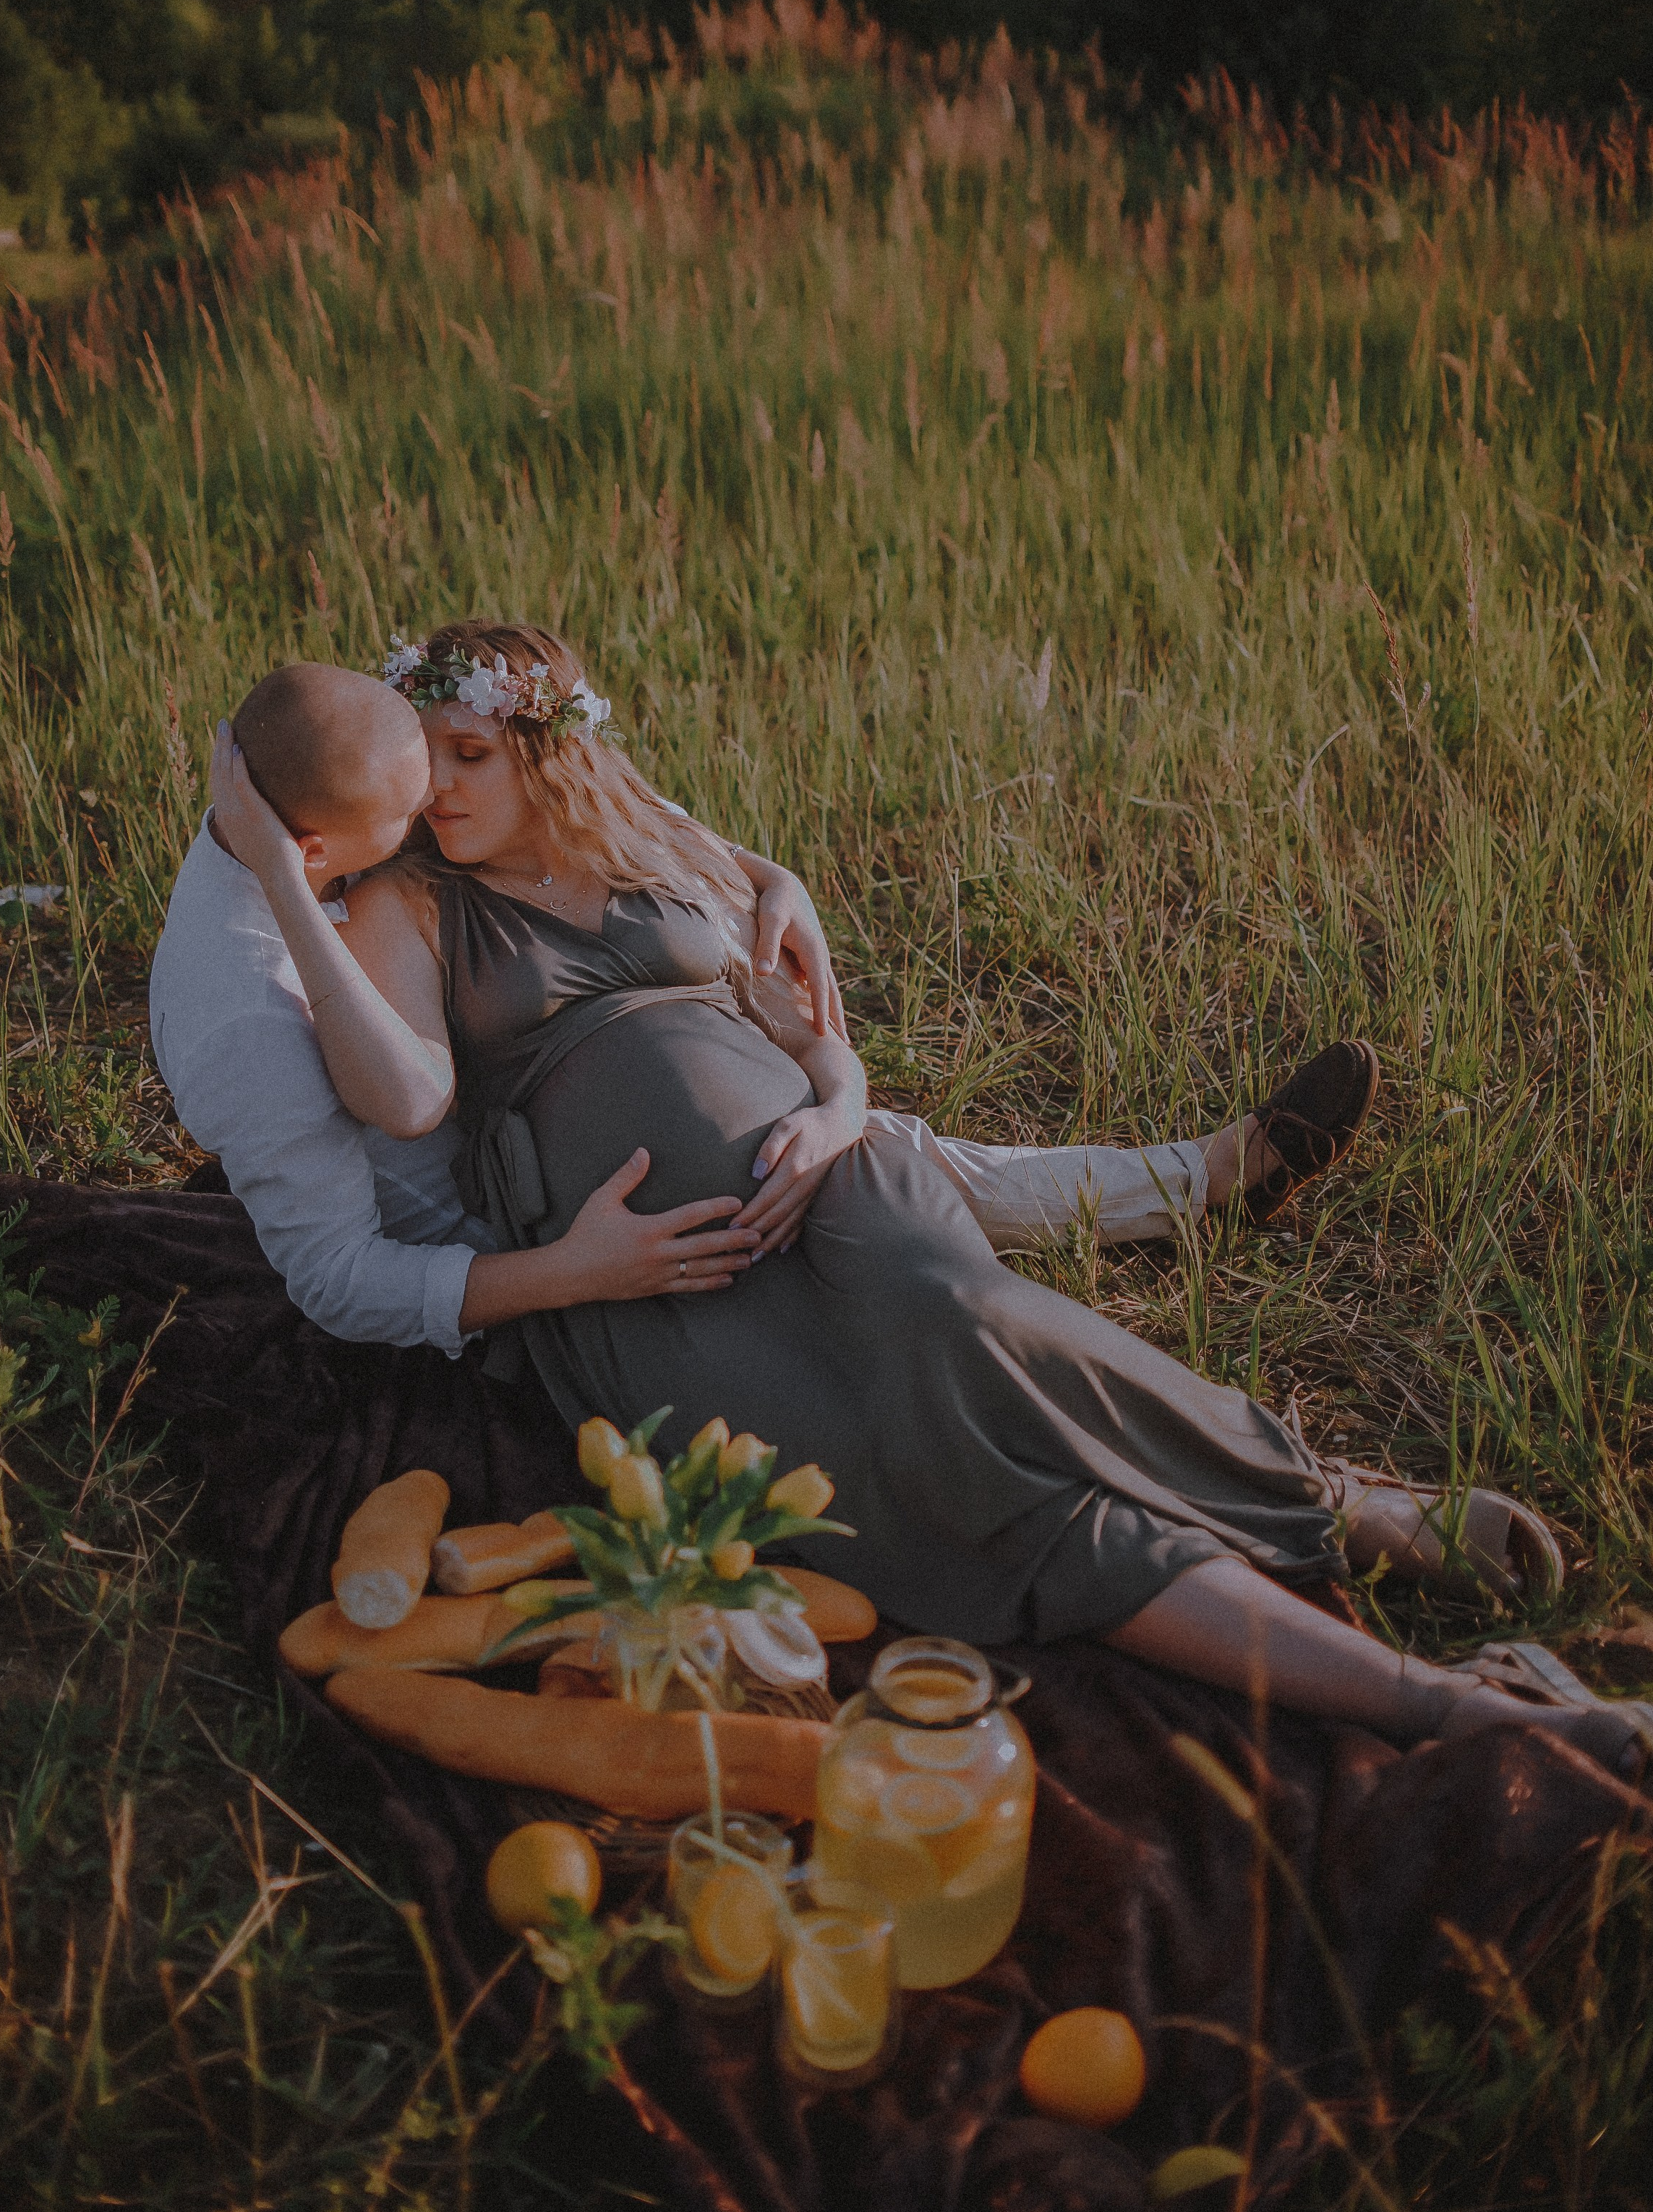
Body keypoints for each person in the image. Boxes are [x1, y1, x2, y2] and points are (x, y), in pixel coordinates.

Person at [213, 620, 1645, 1784]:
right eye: (423, 765)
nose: (435, 793)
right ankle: (1433, 1703)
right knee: (958, 1488)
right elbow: (400, 1097)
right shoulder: (411, 902)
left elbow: (807, 1026)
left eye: (467, 755)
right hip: (650, 1269)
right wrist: (283, 874)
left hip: (821, 1168)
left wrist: (839, 1111)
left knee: (964, 1312)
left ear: (543, 749)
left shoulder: (633, 835)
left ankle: (1333, 1505)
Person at [150, 662, 1375, 1362]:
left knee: (874, 1154)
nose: (432, 818)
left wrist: (764, 875)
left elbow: (560, 786)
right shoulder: (248, 1005)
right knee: (875, 1213)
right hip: (512, 1242)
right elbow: (349, 1275)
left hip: (626, 1128)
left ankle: (1200, 1182)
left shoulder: (343, 802)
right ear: (317, 856)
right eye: (408, 815)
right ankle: (1169, 1217)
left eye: (450, 768)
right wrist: (565, 1273)